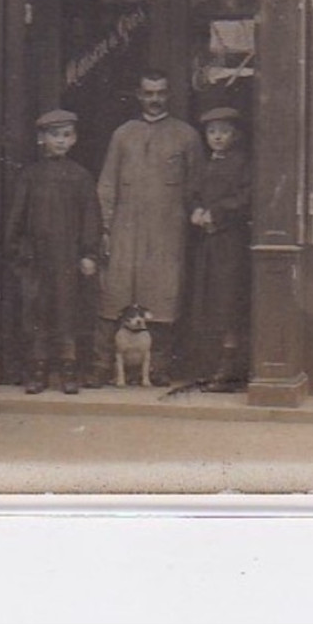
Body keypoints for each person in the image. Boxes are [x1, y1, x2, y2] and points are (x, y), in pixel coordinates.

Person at [94, 70, 203, 386]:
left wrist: (190, 222)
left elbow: (197, 186)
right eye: (149, 93)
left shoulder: (186, 135)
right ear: (139, 95)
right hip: (125, 229)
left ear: (169, 95)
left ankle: (158, 367)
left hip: (167, 231)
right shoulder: (123, 134)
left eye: (161, 93)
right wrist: (104, 228)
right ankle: (103, 365)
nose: (155, 99)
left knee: (163, 296)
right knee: (114, 294)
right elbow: (107, 184)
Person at [4, 109, 103, 395]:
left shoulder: (81, 177)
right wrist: (19, 256)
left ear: (75, 139)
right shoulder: (30, 177)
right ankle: (38, 371)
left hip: (68, 260)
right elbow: (16, 220)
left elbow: (91, 219)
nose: (61, 141)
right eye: (54, 135)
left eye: (67, 135)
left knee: (67, 314)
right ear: (41, 139)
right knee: (37, 315)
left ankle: (69, 371)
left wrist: (89, 253)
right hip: (36, 260)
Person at [186, 106, 252, 391]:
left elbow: (245, 198)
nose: (217, 137)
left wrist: (217, 213)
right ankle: (210, 364)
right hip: (207, 243)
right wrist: (196, 209)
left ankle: (230, 367)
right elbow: (192, 193)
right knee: (207, 301)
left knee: (227, 303)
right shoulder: (205, 164)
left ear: (234, 135)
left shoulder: (242, 163)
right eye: (212, 132)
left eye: (224, 132)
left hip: (230, 243)